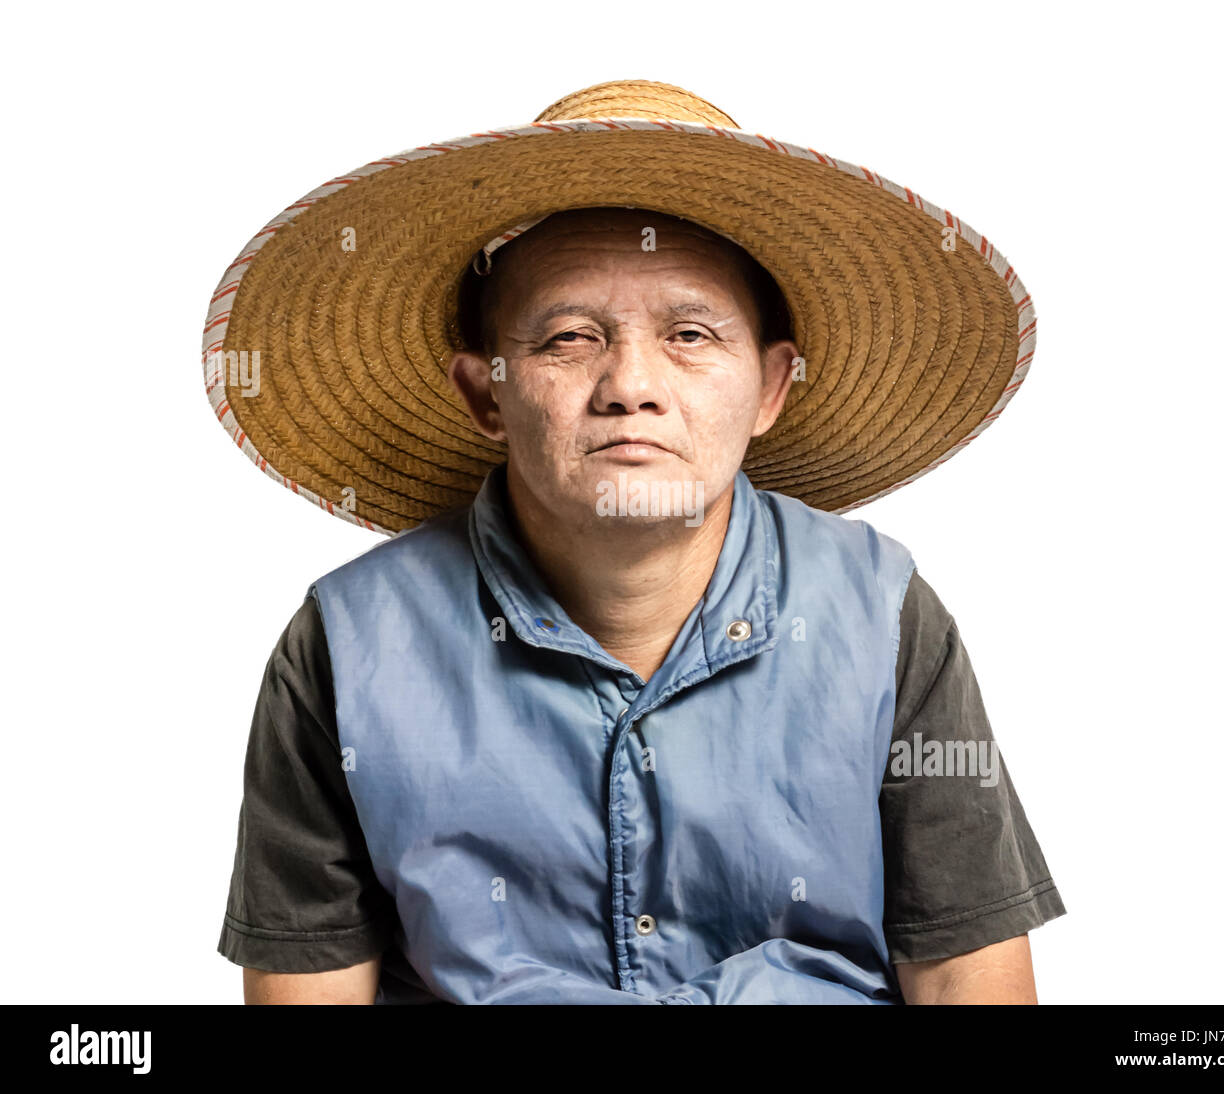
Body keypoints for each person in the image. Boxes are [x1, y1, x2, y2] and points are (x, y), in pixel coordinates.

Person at [208, 80, 1065, 1004]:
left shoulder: (883, 615)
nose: (632, 386)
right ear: (485, 393)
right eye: (569, 338)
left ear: (773, 387)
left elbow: (967, 984)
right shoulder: (345, 648)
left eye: (691, 333)